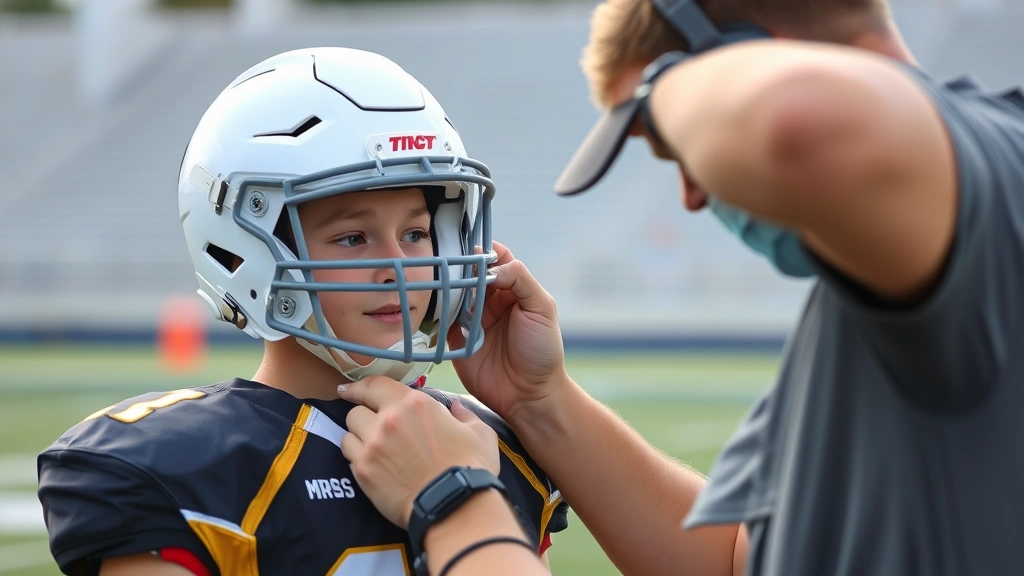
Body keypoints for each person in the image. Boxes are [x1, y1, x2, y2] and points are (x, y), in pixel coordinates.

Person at [336, 0, 1024, 575]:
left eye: (673, 144)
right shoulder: (870, 300)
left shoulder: (993, 168)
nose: (694, 195)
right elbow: (738, 561)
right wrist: (541, 403)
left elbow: (794, 123)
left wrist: (457, 501)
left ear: (750, 58)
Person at [36, 47, 568, 576]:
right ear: (250, 252)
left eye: (417, 233)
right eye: (353, 237)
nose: (398, 267)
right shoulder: (187, 468)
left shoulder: (491, 443)